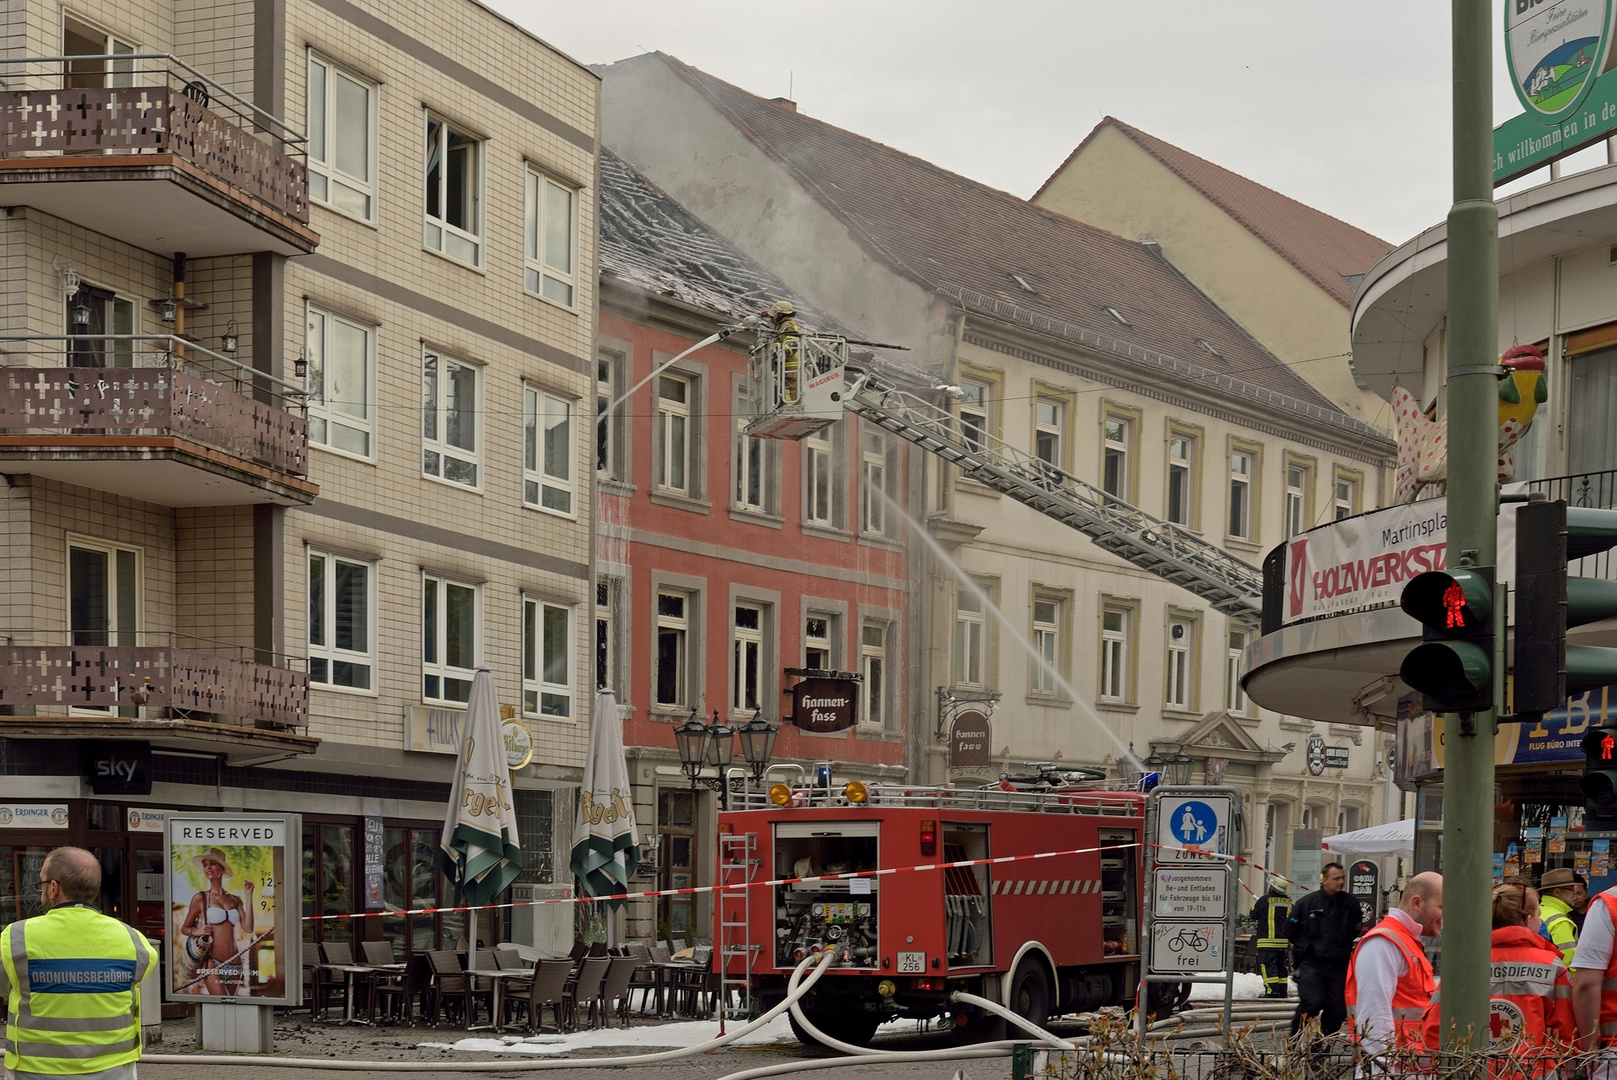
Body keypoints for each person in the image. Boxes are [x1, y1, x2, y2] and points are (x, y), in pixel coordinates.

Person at [0, 846, 155, 1079]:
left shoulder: (15, 938)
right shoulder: (133, 941)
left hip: (34, 1071)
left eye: (41, 884)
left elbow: (4, 990)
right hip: (113, 1070)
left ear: (53, 888)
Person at [1422, 882, 1572, 1074]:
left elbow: (1434, 1030)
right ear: (1527, 919)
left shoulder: (1463, 966)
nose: (1541, 923)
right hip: (1529, 1072)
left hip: (1472, 1073)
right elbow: (1565, 1037)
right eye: (1538, 916)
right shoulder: (1552, 967)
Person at [1346, 872, 1441, 1058]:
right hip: (1396, 1069)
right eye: (1441, 907)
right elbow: (1374, 1020)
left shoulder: (1404, 941)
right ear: (1416, 903)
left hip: (1408, 1067)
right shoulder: (1384, 942)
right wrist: (1383, 1071)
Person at [1289, 862, 1367, 1041]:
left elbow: (1355, 928)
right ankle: (1294, 1042)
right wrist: (1304, 947)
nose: (1340, 882)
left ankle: (1322, 1048)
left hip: (1339, 964)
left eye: (1342, 878)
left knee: (1338, 1010)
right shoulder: (1307, 903)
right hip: (1313, 962)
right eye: (1336, 878)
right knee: (1313, 1002)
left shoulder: (1350, 904)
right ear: (1324, 880)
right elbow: (1290, 930)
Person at [178, 847, 256, 995]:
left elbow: (248, 927)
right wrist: (197, 931)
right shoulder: (200, 898)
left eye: (212, 863)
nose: (207, 867)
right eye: (205, 864)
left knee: (231, 1004)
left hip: (235, 961)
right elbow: (185, 928)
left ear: (222, 868)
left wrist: (249, 895)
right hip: (212, 962)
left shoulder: (235, 899)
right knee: (223, 1002)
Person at [1250, 876, 1292, 999]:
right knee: (1281, 967)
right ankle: (1282, 992)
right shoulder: (1289, 902)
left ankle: (1272, 991)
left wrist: (1256, 904)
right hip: (1283, 943)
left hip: (1267, 942)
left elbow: (1253, 914)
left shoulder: (1264, 900)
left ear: (1272, 886)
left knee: (1268, 966)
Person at [1540, 867, 1582, 969]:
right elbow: (1568, 963)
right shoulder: (1560, 921)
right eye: (1571, 889)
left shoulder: (1536, 911)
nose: (1574, 894)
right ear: (1557, 892)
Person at [768, 300, 801, 404]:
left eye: (775, 313)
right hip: (785, 363)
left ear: (781, 314)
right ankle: (786, 405)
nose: (774, 315)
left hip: (790, 363)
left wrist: (780, 353)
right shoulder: (781, 324)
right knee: (784, 385)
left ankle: (789, 406)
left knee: (789, 386)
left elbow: (792, 342)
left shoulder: (788, 324)